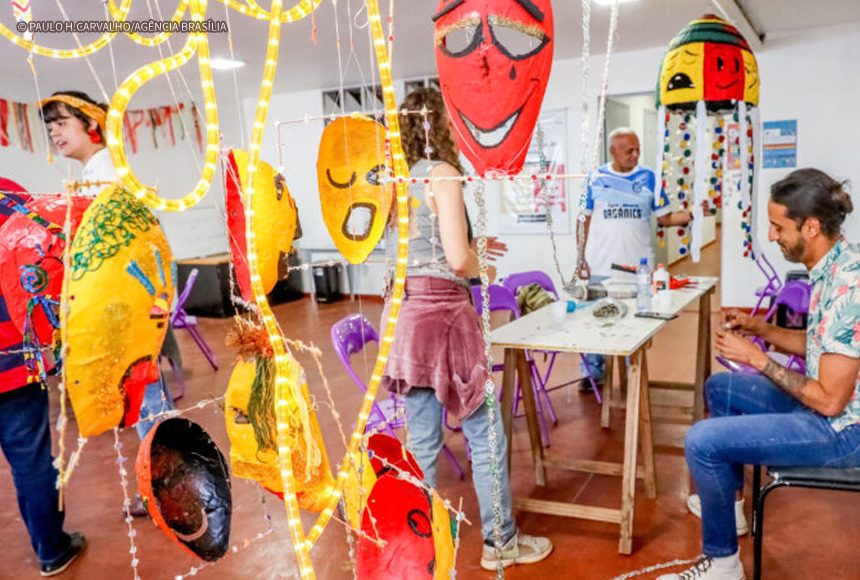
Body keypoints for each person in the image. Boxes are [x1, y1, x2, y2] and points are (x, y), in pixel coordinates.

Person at [381, 87, 552, 571]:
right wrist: (484, 268)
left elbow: (425, 249)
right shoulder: (443, 173)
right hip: (443, 317)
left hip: (405, 317)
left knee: (421, 442)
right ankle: (502, 541)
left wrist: (473, 246)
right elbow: (457, 261)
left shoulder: (398, 179)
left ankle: (419, 550)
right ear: (441, 123)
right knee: (485, 433)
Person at [660, 168, 859, 580]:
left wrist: (757, 358)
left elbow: (829, 401)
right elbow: (820, 345)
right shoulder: (833, 265)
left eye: (778, 226)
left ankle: (723, 565)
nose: (771, 236)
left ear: (811, 227)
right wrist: (761, 330)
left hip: (842, 431)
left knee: (702, 441)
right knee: (721, 388)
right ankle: (731, 511)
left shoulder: (848, 287)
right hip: (828, 410)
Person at [39, 91, 177, 515]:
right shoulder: (93, 174)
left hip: (128, 310)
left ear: (92, 125)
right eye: (50, 126)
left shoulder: (108, 176)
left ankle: (167, 488)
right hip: (120, 310)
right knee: (144, 402)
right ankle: (167, 483)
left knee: (147, 402)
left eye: (62, 122)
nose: (54, 132)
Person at [0, 176, 86, 576]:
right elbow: (49, 260)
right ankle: (52, 550)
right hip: (13, 357)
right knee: (32, 462)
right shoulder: (9, 196)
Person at [577, 127, 694, 384]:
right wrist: (580, 257)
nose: (635, 155)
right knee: (596, 319)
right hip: (601, 265)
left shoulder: (650, 178)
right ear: (612, 151)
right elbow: (583, 220)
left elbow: (664, 219)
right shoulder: (594, 178)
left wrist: (693, 214)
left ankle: (634, 372)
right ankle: (592, 374)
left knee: (636, 322)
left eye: (637, 150)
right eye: (629, 151)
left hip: (639, 268)